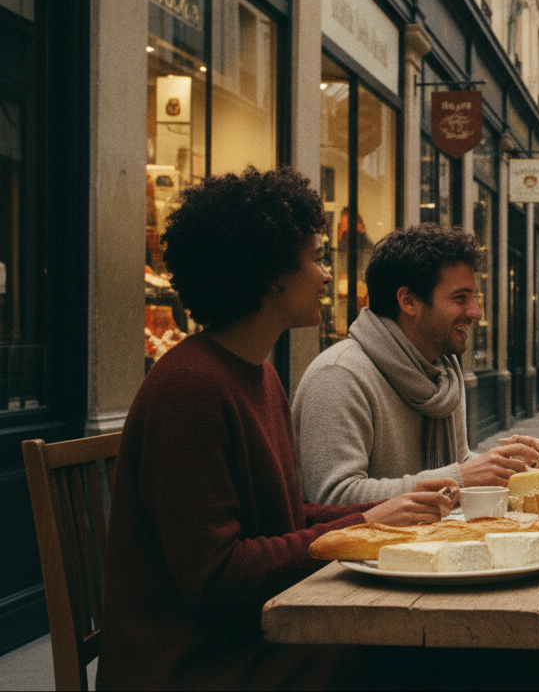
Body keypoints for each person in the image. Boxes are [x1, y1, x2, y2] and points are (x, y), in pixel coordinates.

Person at [98, 168, 457, 690]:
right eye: (316, 257)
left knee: (450, 649)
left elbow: (280, 518)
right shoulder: (191, 388)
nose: (327, 277)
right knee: (442, 657)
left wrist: (383, 515)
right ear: (271, 275)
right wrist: (363, 526)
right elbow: (215, 574)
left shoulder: (256, 372)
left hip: (257, 631)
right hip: (201, 661)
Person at [292, 223, 539, 504]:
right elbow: (331, 497)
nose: (475, 311)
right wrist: (462, 476)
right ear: (408, 301)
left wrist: (510, 466)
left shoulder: (443, 372)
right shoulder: (339, 376)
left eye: (475, 297)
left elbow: (456, 465)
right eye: (460, 298)